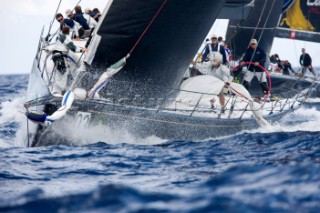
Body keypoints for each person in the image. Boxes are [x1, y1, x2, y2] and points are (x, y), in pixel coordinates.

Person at [49, 26, 87, 94]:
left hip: (55, 56)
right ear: (69, 32)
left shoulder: (60, 37)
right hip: (59, 56)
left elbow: (64, 48)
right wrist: (82, 50)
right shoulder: (66, 37)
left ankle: (59, 90)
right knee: (65, 73)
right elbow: (73, 48)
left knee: (62, 72)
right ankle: (63, 90)